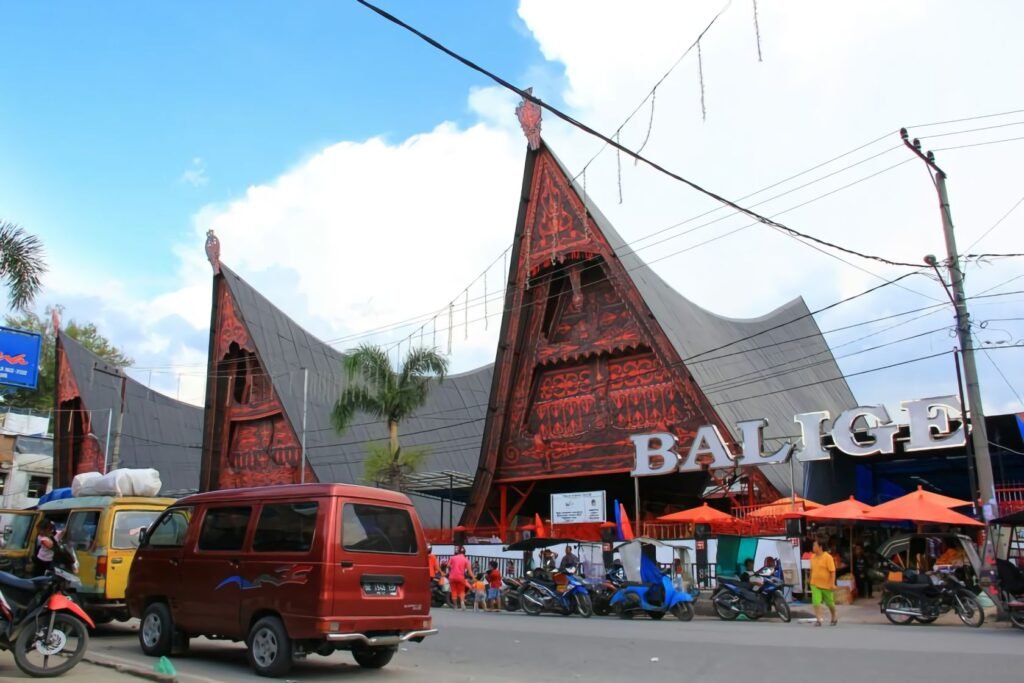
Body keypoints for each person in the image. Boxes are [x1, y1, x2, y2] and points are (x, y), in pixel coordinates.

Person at [811, 537, 838, 626]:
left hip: (826, 585)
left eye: (815, 545)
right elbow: (812, 570)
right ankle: (818, 620)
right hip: (815, 584)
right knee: (816, 601)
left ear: (820, 547)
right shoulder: (812, 557)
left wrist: (832, 584)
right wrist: (810, 579)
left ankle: (834, 616)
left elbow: (832, 571)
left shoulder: (828, 557)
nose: (813, 547)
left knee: (830, 603)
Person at [446, 546, 471, 611]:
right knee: (462, 591)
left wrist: (452, 569)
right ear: (464, 552)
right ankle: (462, 602)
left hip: (452, 577)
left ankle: (455, 606)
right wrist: (474, 577)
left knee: (454, 591)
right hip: (461, 577)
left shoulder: (452, 558)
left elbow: (448, 566)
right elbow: (469, 571)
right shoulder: (466, 559)